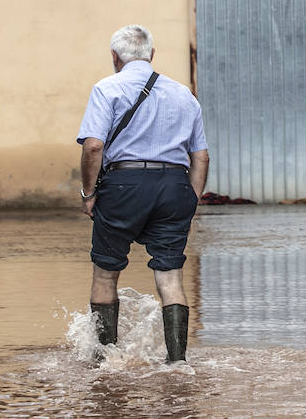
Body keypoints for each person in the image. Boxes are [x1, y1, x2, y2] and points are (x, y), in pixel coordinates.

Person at [77, 24, 209, 362]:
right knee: (170, 276)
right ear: (151, 55)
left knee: (106, 273)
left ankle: (107, 360)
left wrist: (88, 193)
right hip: (175, 186)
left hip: (123, 184)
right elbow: (201, 156)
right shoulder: (184, 94)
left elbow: (93, 146)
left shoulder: (107, 88)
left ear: (114, 57)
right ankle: (177, 362)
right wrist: (189, 201)